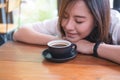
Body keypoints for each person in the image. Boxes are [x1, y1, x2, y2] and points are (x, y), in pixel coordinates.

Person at [13, 0, 120, 64]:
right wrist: (58, 41)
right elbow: (20, 33)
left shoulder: (114, 25)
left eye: (79, 21)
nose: (68, 26)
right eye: (64, 16)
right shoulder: (63, 22)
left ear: (97, 20)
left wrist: (93, 47)